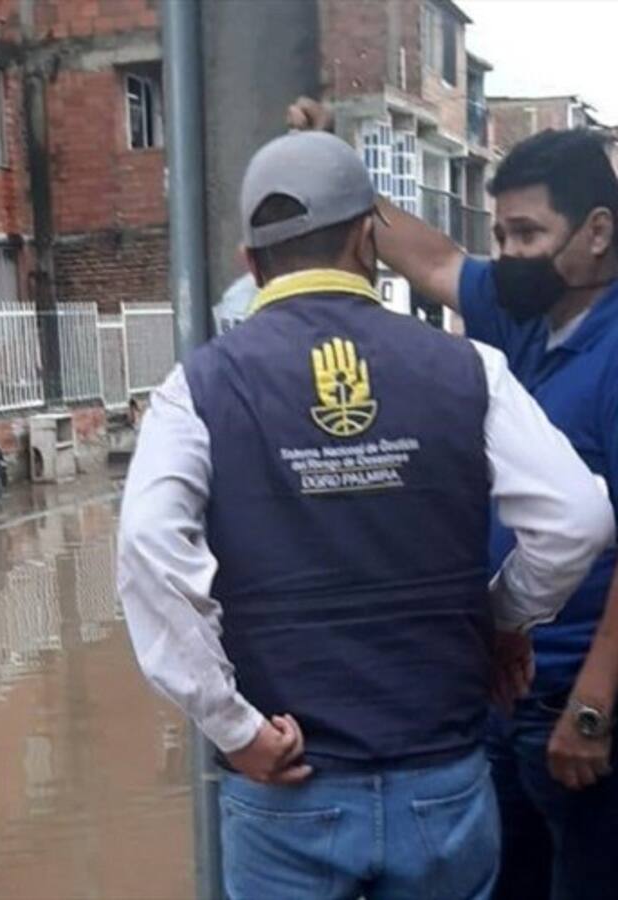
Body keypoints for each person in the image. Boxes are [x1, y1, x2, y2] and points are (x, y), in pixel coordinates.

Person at [117, 130, 615, 900]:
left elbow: (150, 553)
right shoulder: (468, 369)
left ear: (252, 265)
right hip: (443, 784)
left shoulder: (198, 389)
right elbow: (579, 518)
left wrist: (233, 726)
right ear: (365, 242)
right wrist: (503, 618)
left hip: (288, 788)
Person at [288, 98, 618, 899]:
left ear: (598, 233)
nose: (508, 255)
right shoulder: (525, 319)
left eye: (529, 236)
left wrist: (593, 709)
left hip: (584, 707)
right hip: (508, 696)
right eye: (501, 235)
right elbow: (431, 259)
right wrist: (331, 167)